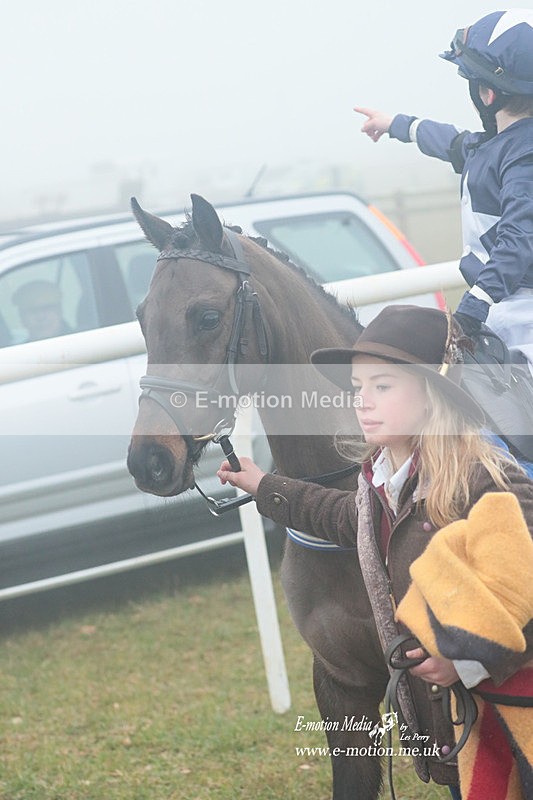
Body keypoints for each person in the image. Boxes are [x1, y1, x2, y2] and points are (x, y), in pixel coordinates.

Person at [217, 305, 533, 797]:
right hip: (459, 732)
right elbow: (346, 519)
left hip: (516, 724)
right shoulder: (380, 484)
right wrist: (262, 485)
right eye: (359, 388)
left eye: (382, 387)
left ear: (430, 395)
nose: (362, 401)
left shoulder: (486, 482)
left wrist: (467, 660)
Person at [354, 10, 533, 375]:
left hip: (521, 321)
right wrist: (394, 124)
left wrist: (475, 304)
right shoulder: (495, 145)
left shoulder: (523, 158)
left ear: (486, 93)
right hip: (501, 312)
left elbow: (519, 236)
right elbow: (451, 143)